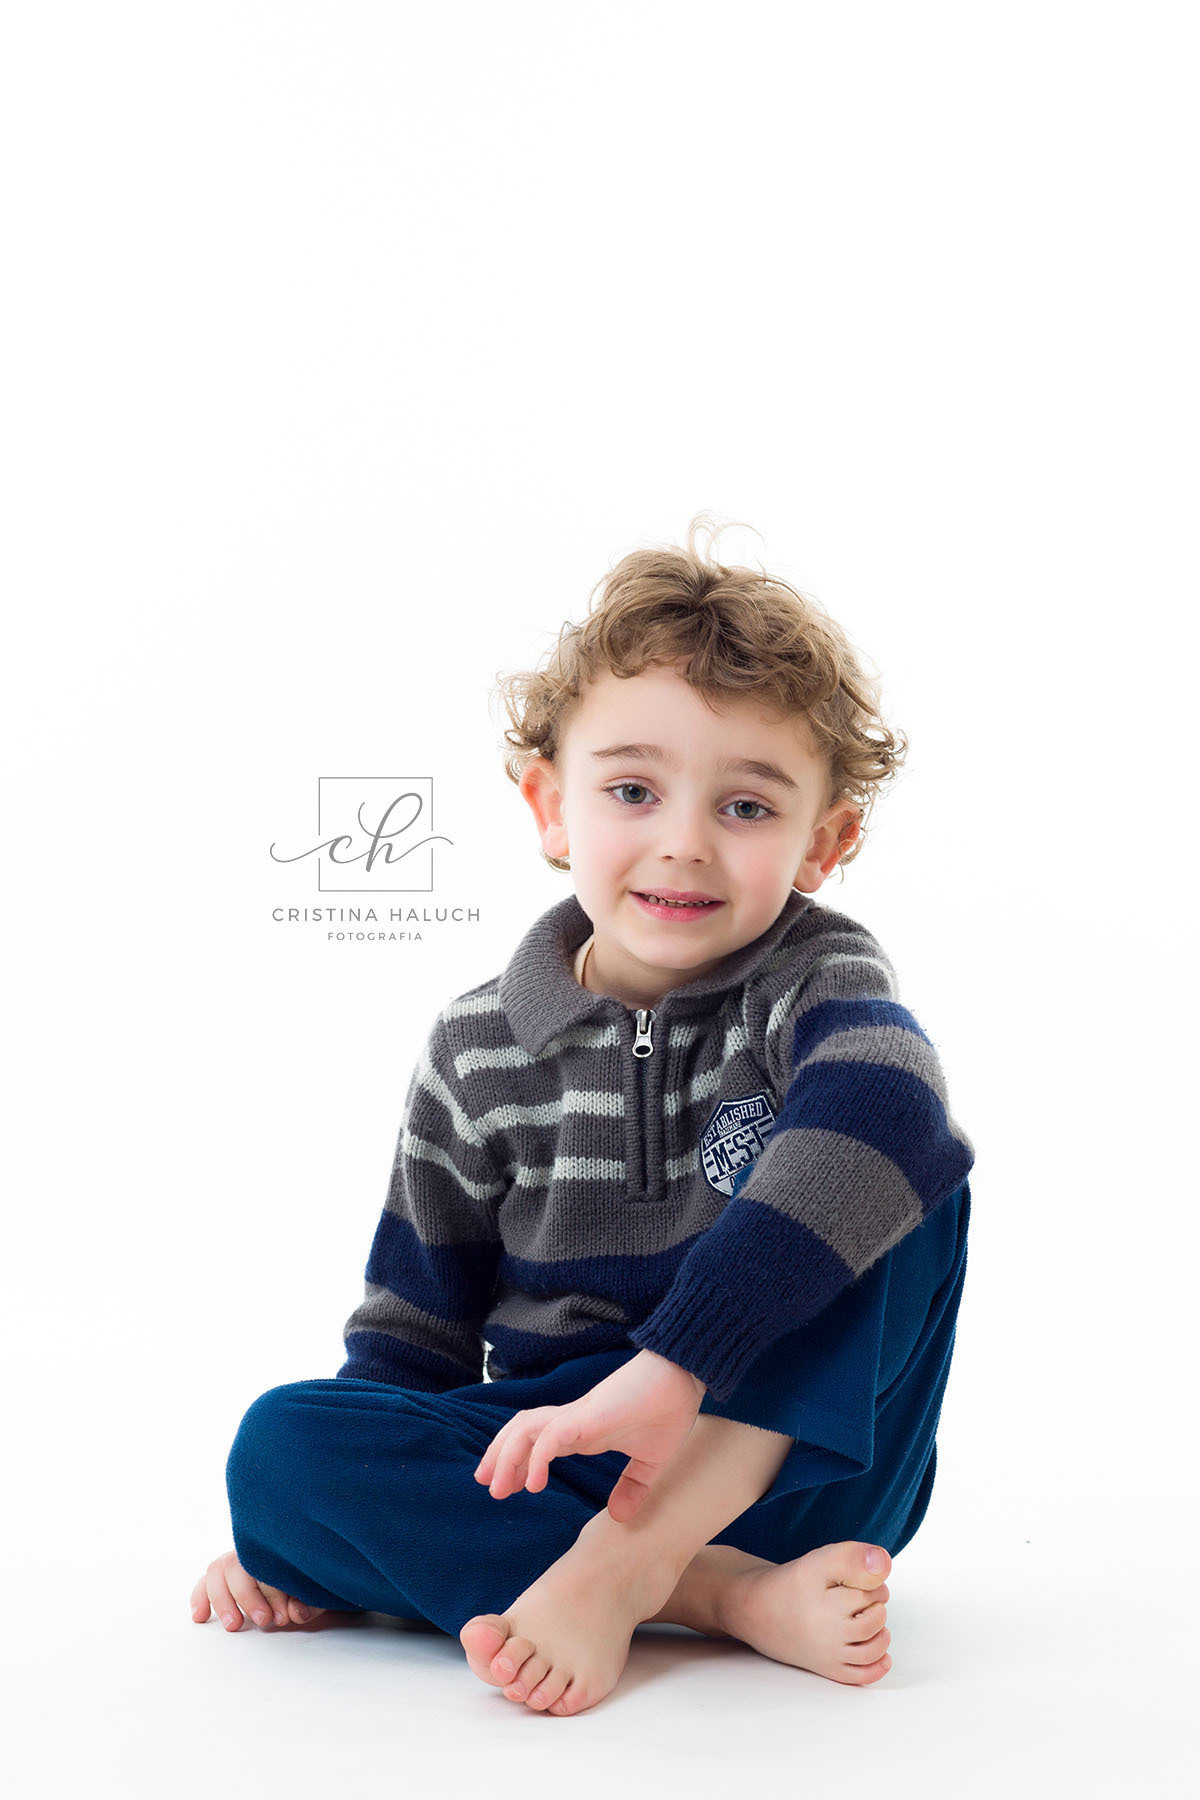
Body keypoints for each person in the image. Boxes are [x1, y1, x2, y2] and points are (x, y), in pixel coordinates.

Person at [192, 514, 976, 1719]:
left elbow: (889, 1104)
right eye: (632, 790)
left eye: (747, 808)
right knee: (284, 1448)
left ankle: (633, 1563)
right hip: (568, 1456)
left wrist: (679, 1369)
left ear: (824, 843)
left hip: (796, 1468)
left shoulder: (812, 985)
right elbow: (413, 1343)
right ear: (550, 806)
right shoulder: (477, 1048)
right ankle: (713, 1594)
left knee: (895, 1157)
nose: (683, 843)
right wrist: (326, 1524)